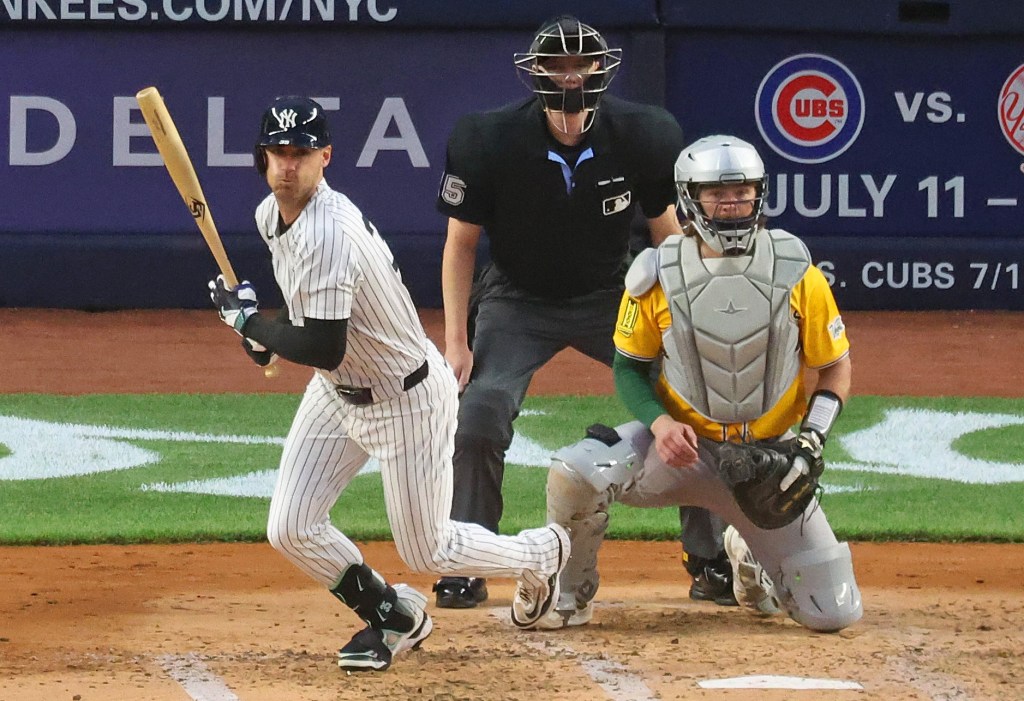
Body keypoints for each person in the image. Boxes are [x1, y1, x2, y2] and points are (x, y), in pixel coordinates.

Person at [206, 96, 571, 672]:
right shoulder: (269, 217)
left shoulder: (331, 232)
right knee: (291, 527)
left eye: (301, 153)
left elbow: (322, 345)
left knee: (428, 549)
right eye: (278, 153)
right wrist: (260, 334)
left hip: (405, 399)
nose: (287, 165)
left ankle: (542, 552)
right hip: (336, 392)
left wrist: (250, 323)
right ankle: (393, 614)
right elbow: (312, 327)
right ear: (262, 157)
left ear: (324, 157)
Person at [433, 14, 730, 609]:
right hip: (517, 298)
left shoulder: (645, 133)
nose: (569, 77)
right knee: (479, 414)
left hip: (611, 293)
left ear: (601, 69)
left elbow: (667, 237)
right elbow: (460, 243)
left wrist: (686, 327)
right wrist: (456, 341)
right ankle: (467, 558)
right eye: (555, 65)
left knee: (693, 396)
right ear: (536, 74)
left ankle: (707, 557)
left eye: (581, 64)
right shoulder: (486, 139)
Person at [539, 134, 863, 632]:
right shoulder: (657, 275)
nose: (733, 202)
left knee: (832, 614)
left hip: (766, 465)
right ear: (691, 197)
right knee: (575, 473)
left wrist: (812, 438)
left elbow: (835, 366)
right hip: (679, 452)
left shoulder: (798, 271)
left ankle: (748, 549)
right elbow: (628, 367)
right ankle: (570, 590)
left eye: (744, 191)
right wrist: (660, 422)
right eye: (718, 192)